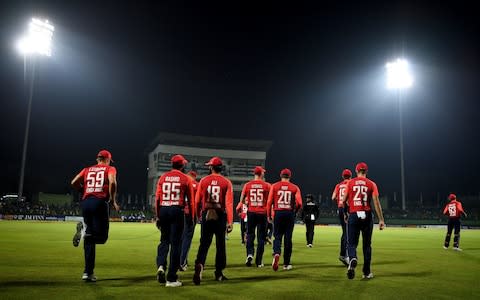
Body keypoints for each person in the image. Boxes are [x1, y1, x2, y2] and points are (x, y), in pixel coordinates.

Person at [71, 149, 120, 282]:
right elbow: (113, 182)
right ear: (107, 159)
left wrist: (84, 190)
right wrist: (112, 200)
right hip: (100, 203)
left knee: (90, 237)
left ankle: (88, 272)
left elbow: (73, 182)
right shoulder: (110, 168)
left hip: (86, 203)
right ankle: (83, 234)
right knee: (102, 237)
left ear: (97, 159)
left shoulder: (87, 169)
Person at [155, 154, 195, 287]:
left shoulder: (163, 177)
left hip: (164, 210)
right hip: (177, 210)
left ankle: (161, 265)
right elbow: (191, 201)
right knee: (176, 244)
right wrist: (193, 217)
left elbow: (157, 199)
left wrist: (158, 216)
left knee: (164, 241)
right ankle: (171, 278)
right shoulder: (186, 178)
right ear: (182, 165)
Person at [340, 162, 385, 280]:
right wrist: (381, 220)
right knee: (367, 245)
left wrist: (345, 213)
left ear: (356, 171)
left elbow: (343, 201)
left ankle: (353, 258)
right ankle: (366, 272)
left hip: (354, 214)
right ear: (366, 171)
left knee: (351, 244)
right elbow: (376, 202)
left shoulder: (350, 183)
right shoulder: (372, 184)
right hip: (367, 215)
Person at [193, 157, 234, 285]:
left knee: (204, 244)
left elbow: (197, 201)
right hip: (220, 214)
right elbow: (229, 203)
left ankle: (199, 265)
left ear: (211, 167)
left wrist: (197, 215)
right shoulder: (226, 182)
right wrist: (230, 221)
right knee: (220, 245)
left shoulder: (204, 181)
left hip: (207, 213)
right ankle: (219, 273)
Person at [266, 168, 302, 271]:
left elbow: (269, 202)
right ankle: (286, 264)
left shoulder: (274, 186)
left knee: (277, 237)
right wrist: (295, 212)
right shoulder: (295, 187)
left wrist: (269, 215)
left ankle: (276, 253)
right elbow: (299, 203)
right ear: (290, 176)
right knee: (288, 239)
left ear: (281, 176)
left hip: (278, 213)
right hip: (289, 213)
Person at [240, 166, 271, 267]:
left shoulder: (247, 185)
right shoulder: (267, 185)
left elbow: (242, 199)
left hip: (251, 212)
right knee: (261, 238)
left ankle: (249, 254)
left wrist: (244, 205)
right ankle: (259, 261)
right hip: (262, 213)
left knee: (250, 235)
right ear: (261, 173)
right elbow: (270, 201)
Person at [331, 169, 352, 265]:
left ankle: (344, 254)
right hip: (348, 209)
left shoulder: (338, 185)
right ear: (350, 176)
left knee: (345, 232)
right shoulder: (351, 183)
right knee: (348, 233)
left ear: (343, 176)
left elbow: (333, 197)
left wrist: (339, 200)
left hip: (340, 208)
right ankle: (345, 255)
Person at [180, 171, 199, 271]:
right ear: (194, 177)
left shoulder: (183, 183)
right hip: (192, 213)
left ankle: (182, 260)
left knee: (181, 238)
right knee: (187, 239)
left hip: (181, 213)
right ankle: (182, 261)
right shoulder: (197, 185)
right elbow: (199, 201)